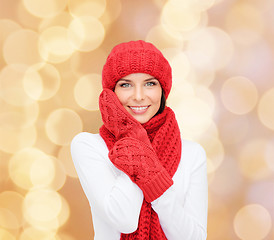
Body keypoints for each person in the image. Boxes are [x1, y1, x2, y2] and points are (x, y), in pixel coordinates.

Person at [71, 40, 208, 239]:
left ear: (163, 90)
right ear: (111, 93)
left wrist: (155, 182)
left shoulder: (192, 154)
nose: (138, 96)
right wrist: (134, 142)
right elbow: (124, 219)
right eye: (126, 85)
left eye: (150, 84)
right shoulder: (89, 146)